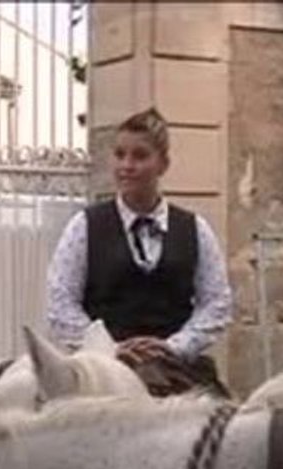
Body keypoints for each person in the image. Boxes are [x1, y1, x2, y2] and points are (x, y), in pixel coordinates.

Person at [46, 107, 233, 397]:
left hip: (178, 374)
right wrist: (110, 349)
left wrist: (175, 347)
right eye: (120, 155)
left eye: (140, 156)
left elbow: (217, 303)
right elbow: (61, 302)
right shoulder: (85, 226)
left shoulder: (195, 229)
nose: (127, 165)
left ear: (163, 164)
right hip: (105, 374)